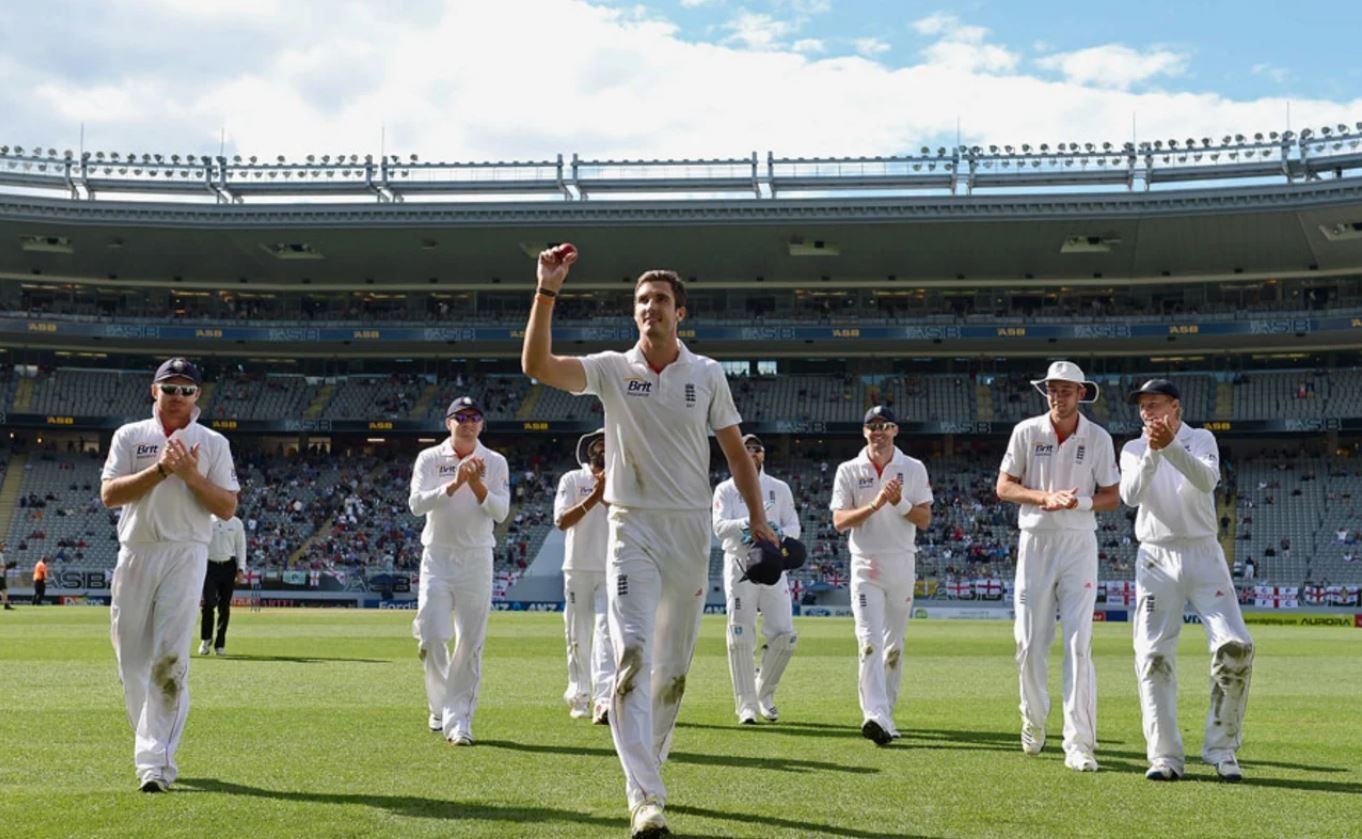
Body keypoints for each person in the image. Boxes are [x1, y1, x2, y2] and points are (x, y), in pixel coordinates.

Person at [523, 246, 776, 839]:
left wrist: (759, 519)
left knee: (672, 673)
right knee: (632, 653)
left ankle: (649, 768)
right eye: (641, 301)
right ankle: (646, 798)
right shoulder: (613, 367)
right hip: (630, 525)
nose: (649, 308)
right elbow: (537, 365)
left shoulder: (707, 374)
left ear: (679, 313)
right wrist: (546, 289)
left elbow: (737, 454)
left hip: (688, 529)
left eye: (660, 300)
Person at [100, 357, 239, 792]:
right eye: (170, 387)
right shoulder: (130, 435)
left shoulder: (211, 442)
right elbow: (109, 495)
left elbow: (227, 507)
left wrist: (190, 474)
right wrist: (160, 469)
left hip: (186, 552)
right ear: (153, 390)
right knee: (131, 664)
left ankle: (156, 763)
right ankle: (150, 741)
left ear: (198, 395)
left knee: (170, 660)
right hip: (136, 551)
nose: (177, 396)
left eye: (186, 389)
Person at [1119, 379, 1253, 782]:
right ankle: (1164, 756)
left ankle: (1221, 749)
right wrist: (1153, 453)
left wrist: (1169, 447)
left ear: (1175, 407)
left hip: (1203, 552)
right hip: (1156, 555)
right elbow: (1129, 495)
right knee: (1152, 655)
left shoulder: (1202, 439)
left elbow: (1206, 480)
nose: (1147, 413)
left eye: (1155, 404)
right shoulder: (1131, 448)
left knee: (1236, 646)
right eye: (1142, 406)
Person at [996, 360, 1119, 772]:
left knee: (1078, 643)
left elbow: (1112, 496)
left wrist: (1079, 501)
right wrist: (1042, 498)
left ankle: (1079, 742)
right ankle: (1033, 719)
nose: (1058, 396)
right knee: (1029, 642)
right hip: (1036, 539)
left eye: (1066, 389)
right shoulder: (1027, 431)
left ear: (1082, 393)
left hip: (1078, 541)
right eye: (1052, 389)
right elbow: (1004, 486)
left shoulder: (1098, 437)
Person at [407, 395, 510, 746]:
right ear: (448, 422)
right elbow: (416, 504)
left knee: (470, 642)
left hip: (477, 557)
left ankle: (459, 722)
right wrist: (454, 484)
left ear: (482, 424)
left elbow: (500, 512)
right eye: (460, 416)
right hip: (436, 555)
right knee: (432, 636)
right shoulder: (429, 458)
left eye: (474, 417)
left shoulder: (494, 462)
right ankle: (439, 707)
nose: (468, 422)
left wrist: (476, 483)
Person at [830, 407, 933, 745]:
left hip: (901, 563)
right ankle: (874, 715)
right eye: (872, 427)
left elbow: (923, 519)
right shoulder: (848, 469)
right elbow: (839, 521)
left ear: (895, 430)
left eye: (884, 426)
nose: (878, 432)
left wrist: (899, 503)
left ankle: (886, 715)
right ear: (864, 432)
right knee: (869, 642)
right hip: (865, 564)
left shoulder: (912, 468)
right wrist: (875, 505)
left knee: (893, 647)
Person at [712, 433, 802, 726]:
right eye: (746, 448)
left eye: (757, 449)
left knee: (785, 635)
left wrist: (778, 533)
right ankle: (746, 705)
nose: (752, 453)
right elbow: (719, 527)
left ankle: (764, 693)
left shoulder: (779, 488)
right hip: (739, 562)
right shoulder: (725, 489)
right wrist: (748, 524)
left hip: (773, 562)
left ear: (763, 455)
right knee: (740, 634)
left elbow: (795, 526)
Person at [554, 428, 616, 725]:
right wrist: (596, 495)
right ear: (589, 449)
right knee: (577, 635)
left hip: (611, 568)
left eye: (609, 443)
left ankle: (604, 700)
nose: (603, 448)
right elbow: (562, 521)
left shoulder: (624, 479)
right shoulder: (572, 479)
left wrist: (608, 496)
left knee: (607, 635)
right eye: (598, 443)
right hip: (577, 567)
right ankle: (579, 696)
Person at [199, 513, 247, 656]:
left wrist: (241, 569)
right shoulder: (206, 520)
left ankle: (220, 644)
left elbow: (241, 547)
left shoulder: (236, 523)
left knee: (224, 606)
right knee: (208, 603)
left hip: (228, 566)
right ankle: (206, 639)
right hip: (209, 565)